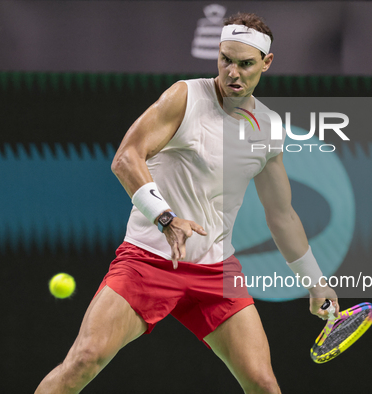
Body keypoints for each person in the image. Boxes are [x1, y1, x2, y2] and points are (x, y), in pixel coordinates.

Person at [35, 12, 338, 394]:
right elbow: (126, 158)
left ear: (267, 63)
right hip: (148, 261)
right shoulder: (185, 96)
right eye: (225, 59)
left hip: (215, 271)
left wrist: (315, 282)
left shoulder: (268, 129)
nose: (233, 73)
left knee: (263, 383)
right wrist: (166, 218)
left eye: (245, 64)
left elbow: (281, 214)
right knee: (83, 360)